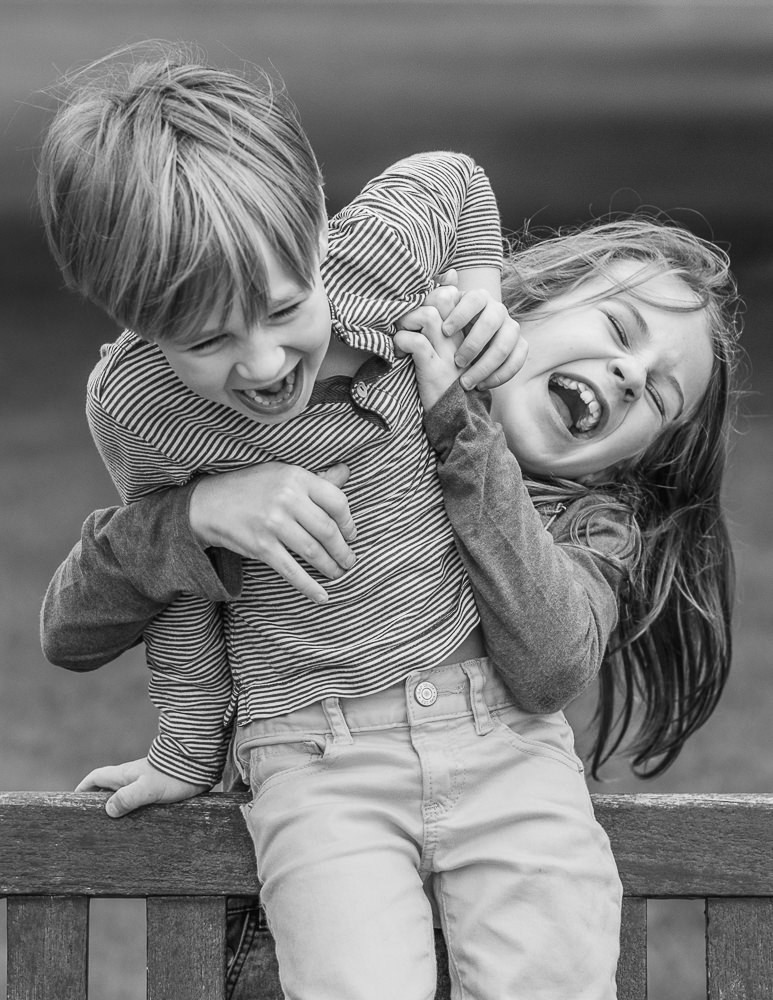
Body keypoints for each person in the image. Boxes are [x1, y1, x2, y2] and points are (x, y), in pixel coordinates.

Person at [37, 43, 741, 1000]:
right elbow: (87, 625)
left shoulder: (597, 527)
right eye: (618, 331)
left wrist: (460, 412)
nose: (258, 362)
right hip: (316, 753)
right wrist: (198, 519)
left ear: (647, 453)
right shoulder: (160, 399)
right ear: (542, 295)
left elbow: (547, 668)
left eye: (659, 391)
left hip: (501, 750)